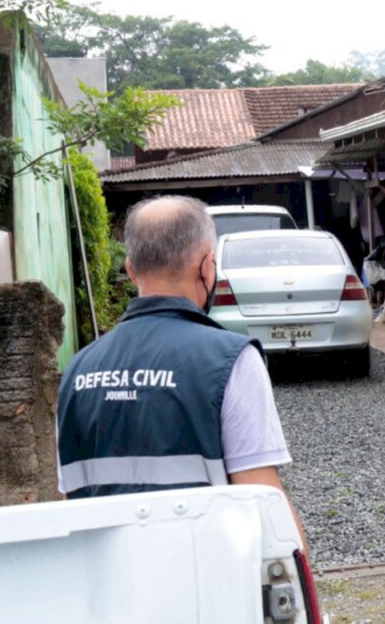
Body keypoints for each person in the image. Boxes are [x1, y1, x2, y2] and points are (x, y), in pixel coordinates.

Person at [56, 195, 309, 556]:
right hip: (204, 587)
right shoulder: (232, 360)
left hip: (107, 597)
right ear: (208, 267)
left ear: (130, 270)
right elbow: (263, 497)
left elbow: (69, 502)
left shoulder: (76, 372)